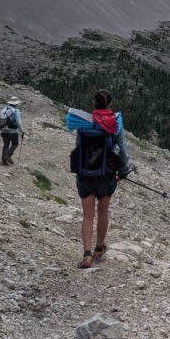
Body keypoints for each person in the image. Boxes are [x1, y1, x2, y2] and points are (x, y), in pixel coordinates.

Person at [66, 90, 131, 269]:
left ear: (94, 104)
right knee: (103, 213)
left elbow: (78, 147)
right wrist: (123, 170)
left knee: (87, 215)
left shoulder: (83, 122)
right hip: (106, 175)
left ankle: (86, 255)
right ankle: (99, 249)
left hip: (85, 174)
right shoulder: (114, 123)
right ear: (109, 105)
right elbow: (122, 150)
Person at [0, 96, 25, 166]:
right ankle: (8, 156)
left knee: (6, 145)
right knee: (15, 144)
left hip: (3, 131)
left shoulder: (4, 109)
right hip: (13, 131)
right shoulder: (16, 111)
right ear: (16, 104)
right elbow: (18, 122)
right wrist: (22, 131)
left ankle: (4, 161)